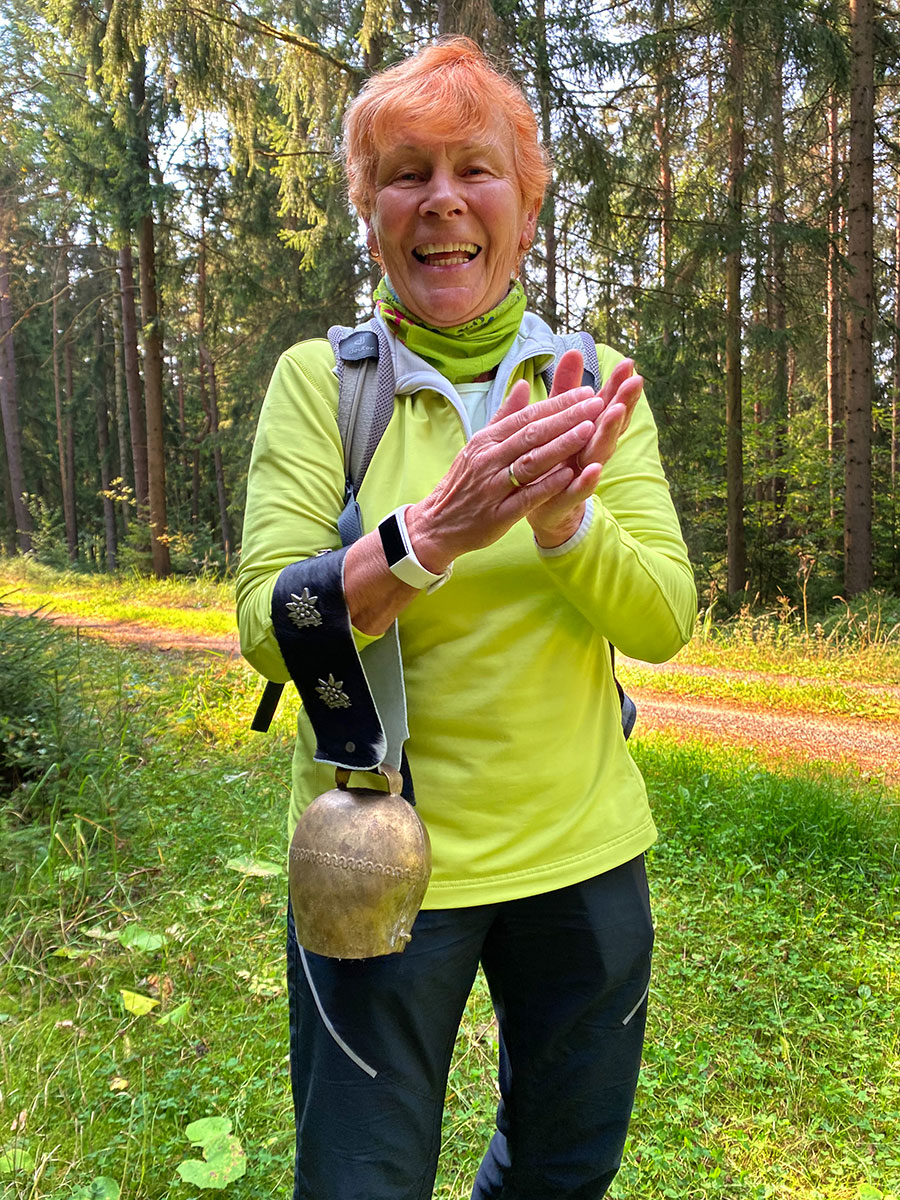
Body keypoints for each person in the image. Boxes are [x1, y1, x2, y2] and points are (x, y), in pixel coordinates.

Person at [236, 36, 696, 1200]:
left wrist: (560, 527)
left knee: (560, 1171)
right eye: (406, 173)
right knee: (359, 1182)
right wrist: (427, 536)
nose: (442, 201)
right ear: (370, 210)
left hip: (582, 863)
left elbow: (666, 618)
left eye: (475, 169)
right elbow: (263, 623)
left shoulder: (590, 384)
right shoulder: (323, 383)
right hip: (377, 873)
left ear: (527, 203)